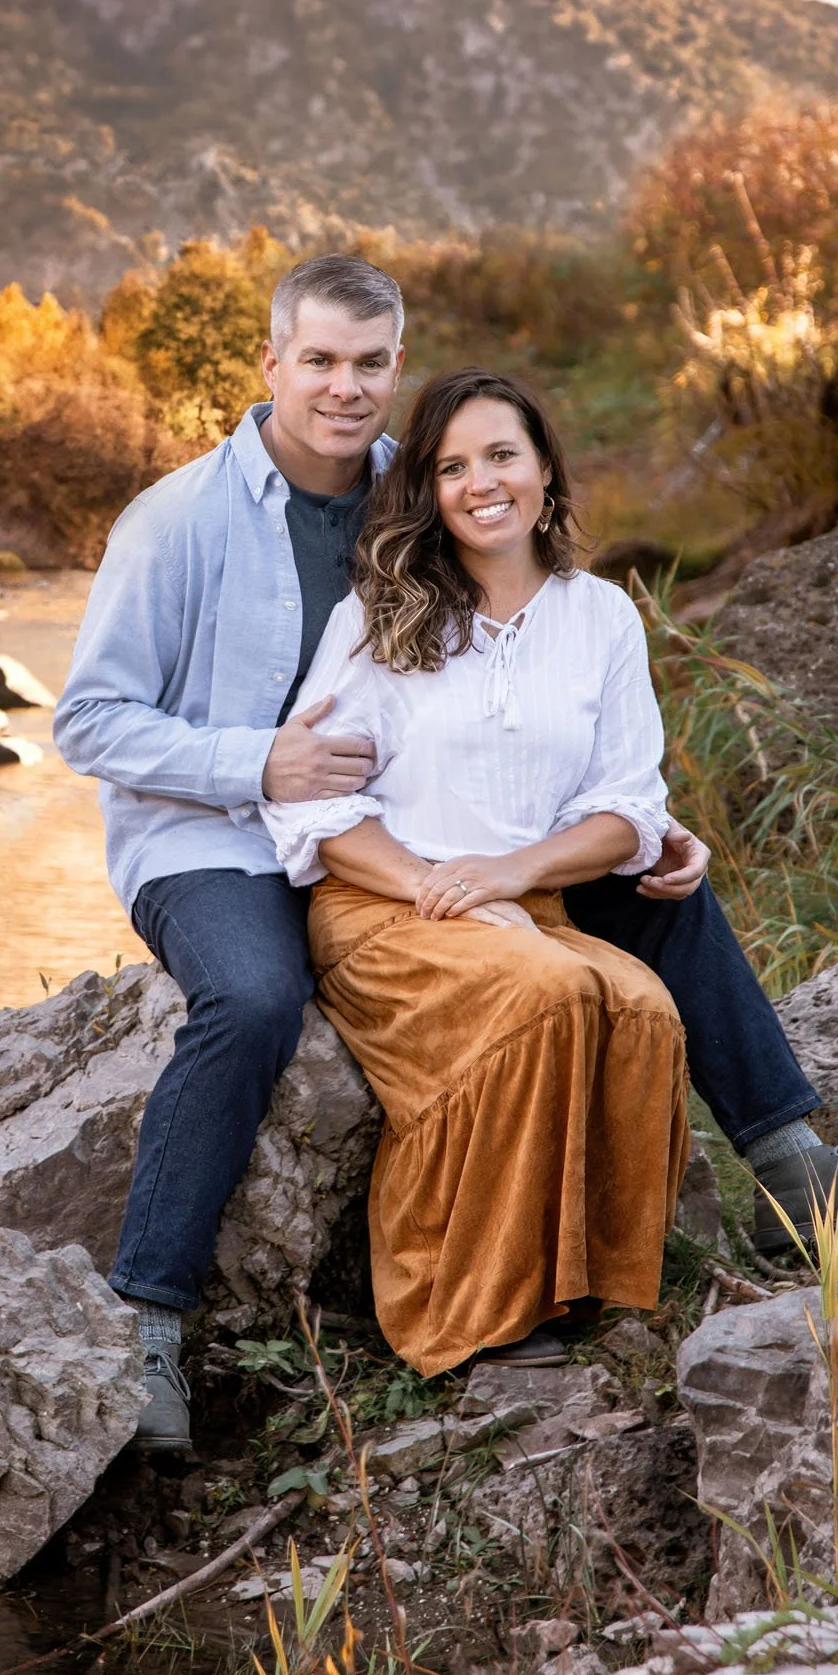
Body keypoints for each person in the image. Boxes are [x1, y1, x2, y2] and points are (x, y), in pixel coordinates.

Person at [54, 255, 838, 1443]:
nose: (344, 387)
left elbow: (510, 689)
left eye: (369, 363)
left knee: (659, 888)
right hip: (211, 831)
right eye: (318, 361)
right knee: (257, 997)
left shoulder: (417, 484)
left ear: (396, 367)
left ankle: (797, 1170)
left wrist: (638, 829)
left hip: (412, 825)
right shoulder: (179, 518)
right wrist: (254, 762)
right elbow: (86, 721)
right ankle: (151, 1319)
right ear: (270, 364)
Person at [261, 368, 692, 1374]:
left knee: (639, 1005)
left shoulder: (600, 618)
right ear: (429, 492)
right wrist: (428, 884)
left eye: (500, 455)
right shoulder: (381, 618)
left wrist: (507, 875)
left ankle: (582, 1287)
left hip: (519, 904)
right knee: (543, 995)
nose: (479, 482)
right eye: (451, 467)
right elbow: (311, 803)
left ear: (544, 469)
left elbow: (627, 807)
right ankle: (465, 1311)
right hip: (384, 909)